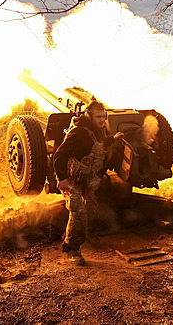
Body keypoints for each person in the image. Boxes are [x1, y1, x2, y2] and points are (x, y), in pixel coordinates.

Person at [53, 99, 124, 265]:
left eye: (104, 117)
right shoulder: (78, 132)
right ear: (89, 116)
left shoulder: (96, 131)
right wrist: (62, 179)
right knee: (78, 212)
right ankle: (72, 249)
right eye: (98, 117)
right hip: (71, 180)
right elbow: (58, 156)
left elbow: (97, 146)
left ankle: (70, 237)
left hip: (86, 179)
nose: (102, 120)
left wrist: (113, 139)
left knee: (91, 209)